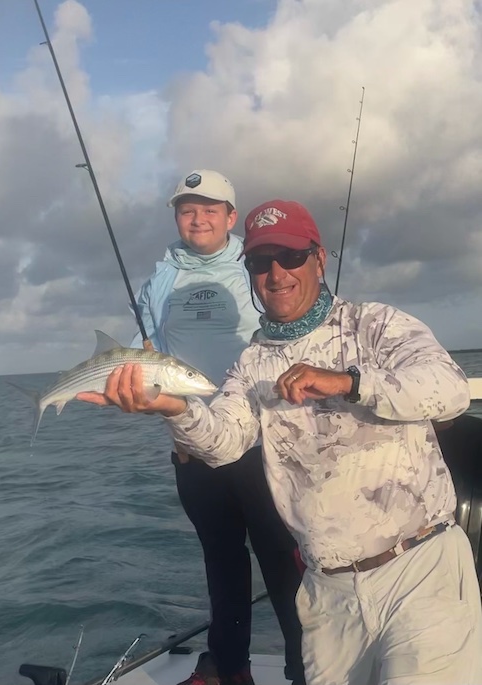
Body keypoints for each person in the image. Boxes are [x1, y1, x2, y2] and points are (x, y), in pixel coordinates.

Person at [79, 199, 482, 685]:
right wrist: (175, 409)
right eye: (259, 261)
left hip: (419, 571)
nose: (276, 274)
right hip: (328, 594)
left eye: (290, 256)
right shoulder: (252, 364)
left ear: (319, 259)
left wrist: (349, 382)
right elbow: (224, 443)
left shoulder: (376, 325)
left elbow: (450, 389)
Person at [127, 174, 305, 685]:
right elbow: (144, 349)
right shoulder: (159, 280)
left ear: (231, 217)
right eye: (187, 210)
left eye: (210, 209)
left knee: (283, 561)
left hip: (263, 445)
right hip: (193, 448)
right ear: (176, 218)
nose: (198, 219)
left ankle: (305, 669)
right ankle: (230, 670)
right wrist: (127, 380)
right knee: (221, 565)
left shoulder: (257, 267)